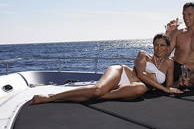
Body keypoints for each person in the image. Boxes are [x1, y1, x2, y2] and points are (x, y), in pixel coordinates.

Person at [31, 33, 183, 104]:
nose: (158, 48)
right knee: (98, 89)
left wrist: (178, 84)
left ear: (168, 47)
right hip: (121, 73)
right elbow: (142, 75)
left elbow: (168, 85)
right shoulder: (143, 55)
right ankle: (51, 97)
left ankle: (94, 95)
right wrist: (163, 90)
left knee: (140, 89)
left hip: (134, 87)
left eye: (162, 45)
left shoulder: (169, 63)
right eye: (156, 44)